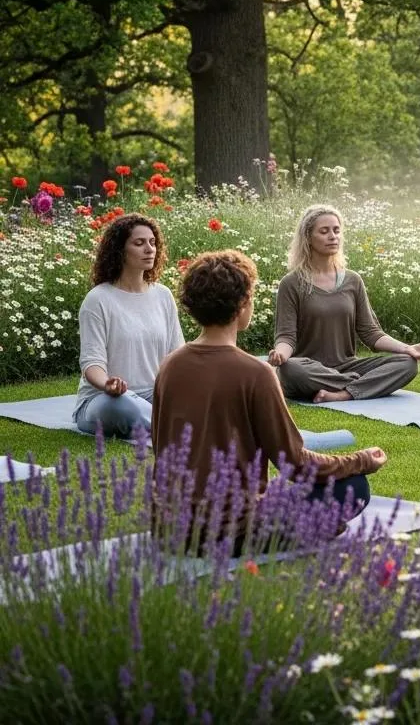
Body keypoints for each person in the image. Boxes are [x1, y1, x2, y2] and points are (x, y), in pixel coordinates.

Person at [151, 250, 386, 550]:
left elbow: (160, 446)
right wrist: (359, 461)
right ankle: (298, 531)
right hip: (232, 531)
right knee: (353, 486)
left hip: (171, 528)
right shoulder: (255, 373)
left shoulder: (170, 365)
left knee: (277, 491)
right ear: (243, 303)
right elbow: (295, 463)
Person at [269, 205, 420, 402]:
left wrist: (407, 348)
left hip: (347, 366)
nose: (333, 236)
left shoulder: (353, 280)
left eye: (336, 230)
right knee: (290, 369)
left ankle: (342, 394)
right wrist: (280, 355)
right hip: (309, 369)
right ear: (308, 237)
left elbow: (371, 333)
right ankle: (362, 384)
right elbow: (286, 336)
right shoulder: (291, 283)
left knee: (408, 364)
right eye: (324, 231)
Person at [74, 213, 184, 437]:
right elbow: (91, 364)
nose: (149, 249)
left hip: (154, 395)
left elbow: (177, 354)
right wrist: (108, 384)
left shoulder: (163, 295)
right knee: (124, 407)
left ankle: (169, 422)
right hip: (106, 399)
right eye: (139, 243)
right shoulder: (98, 300)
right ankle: (177, 426)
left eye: (152, 242)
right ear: (120, 250)